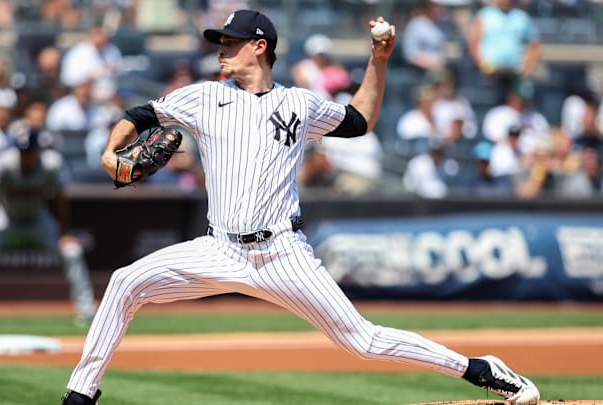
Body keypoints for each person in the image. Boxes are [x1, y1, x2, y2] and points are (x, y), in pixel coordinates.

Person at [61, 9, 540, 405]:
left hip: (282, 253)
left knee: (363, 341)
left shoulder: (299, 104)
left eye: (229, 42)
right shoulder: (203, 97)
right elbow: (138, 115)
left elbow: (358, 121)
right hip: (218, 248)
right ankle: (80, 396)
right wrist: (111, 154)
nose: (221, 49)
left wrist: (379, 58)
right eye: (220, 42)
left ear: (259, 46)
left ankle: (478, 368)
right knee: (125, 281)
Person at [0, 128, 96, 323]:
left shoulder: (51, 164)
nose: (26, 156)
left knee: (72, 252)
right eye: (23, 151)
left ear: (38, 151)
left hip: (38, 217)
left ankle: (86, 311)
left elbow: (58, 200)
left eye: (30, 151)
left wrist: (63, 233)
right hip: (6, 217)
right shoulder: (3, 164)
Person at [466, 0, 540, 103]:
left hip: (514, 75)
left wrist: (527, 67)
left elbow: (534, 44)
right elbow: (473, 42)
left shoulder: (521, 17)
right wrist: (484, 65)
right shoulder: (485, 15)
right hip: (490, 75)